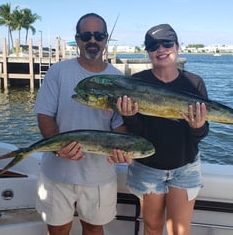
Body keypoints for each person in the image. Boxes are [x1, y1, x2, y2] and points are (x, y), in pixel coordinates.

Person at [34, 13, 128, 235]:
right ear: (77, 39)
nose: (92, 41)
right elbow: (44, 115)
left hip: (99, 174)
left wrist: (122, 149)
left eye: (98, 35)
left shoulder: (119, 79)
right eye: (86, 35)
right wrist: (59, 148)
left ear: (106, 40)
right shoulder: (58, 72)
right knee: (58, 229)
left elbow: (120, 128)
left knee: (94, 228)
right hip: (57, 172)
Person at [116, 23, 209, 235]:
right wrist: (130, 118)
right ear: (147, 52)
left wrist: (198, 126)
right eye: (152, 46)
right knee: (152, 227)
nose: (161, 49)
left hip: (185, 166)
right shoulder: (135, 83)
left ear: (177, 46)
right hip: (147, 167)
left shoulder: (194, 83)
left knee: (180, 231)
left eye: (167, 43)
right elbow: (138, 136)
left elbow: (202, 134)